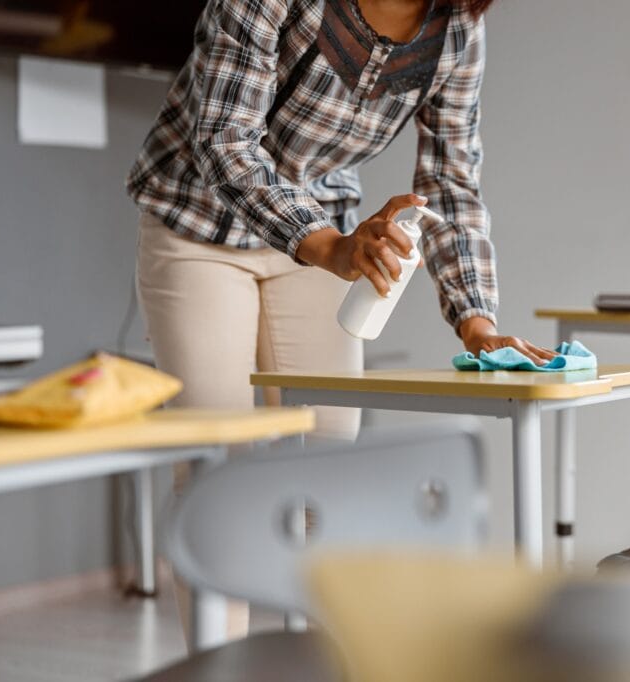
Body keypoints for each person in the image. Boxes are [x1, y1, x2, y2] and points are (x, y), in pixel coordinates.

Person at [127, 0, 555, 641]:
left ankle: (318, 657)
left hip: (321, 230)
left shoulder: (456, 31)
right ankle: (219, 662)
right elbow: (225, 142)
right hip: (200, 224)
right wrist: (332, 246)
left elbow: (450, 185)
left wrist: (477, 322)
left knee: (327, 466)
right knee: (220, 465)